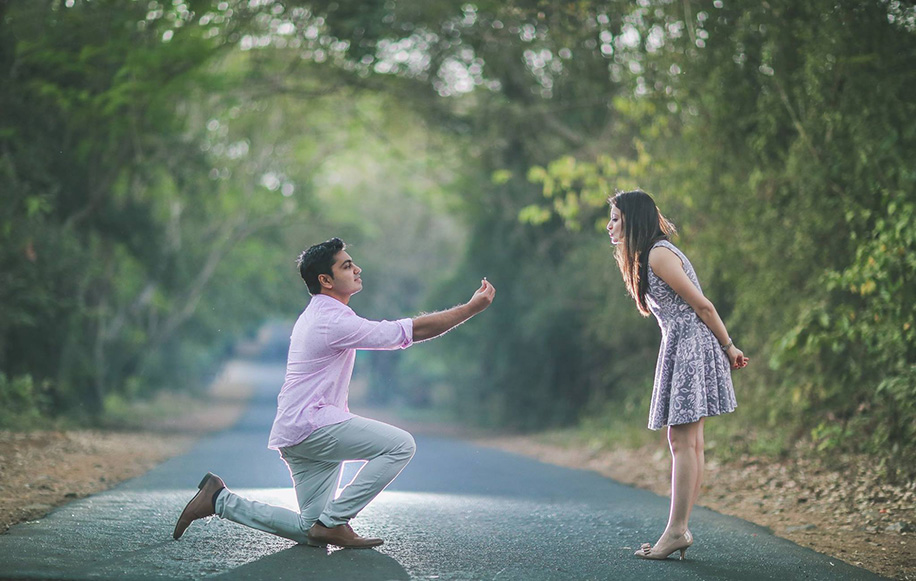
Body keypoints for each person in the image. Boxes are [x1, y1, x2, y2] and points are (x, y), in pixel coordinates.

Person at [173, 237, 496, 548]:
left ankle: (218, 499)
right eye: (347, 266)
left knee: (309, 531)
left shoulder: (321, 314)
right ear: (326, 280)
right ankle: (334, 522)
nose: (357, 270)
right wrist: (471, 308)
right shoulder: (330, 320)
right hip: (313, 427)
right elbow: (410, 331)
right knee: (400, 446)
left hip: (298, 432)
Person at [605, 190, 748, 561]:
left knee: (683, 442)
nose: (610, 225)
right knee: (688, 443)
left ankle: (676, 530)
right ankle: (678, 528)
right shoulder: (650, 255)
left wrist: (729, 346)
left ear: (634, 220)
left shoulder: (658, 255)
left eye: (616, 218)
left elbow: (701, 304)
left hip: (690, 344)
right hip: (684, 344)